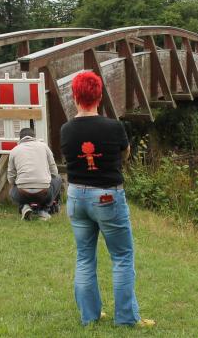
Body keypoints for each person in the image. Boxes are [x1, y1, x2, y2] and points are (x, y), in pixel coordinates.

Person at [60, 71, 154, 327]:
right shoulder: (114, 127)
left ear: (75, 96)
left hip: (77, 197)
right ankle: (126, 319)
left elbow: (69, 159)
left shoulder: (66, 130)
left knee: (84, 257)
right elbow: (124, 155)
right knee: (122, 257)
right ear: (99, 96)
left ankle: (89, 317)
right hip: (107, 197)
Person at [7, 128, 61, 221]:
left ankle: (25, 206)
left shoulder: (14, 151)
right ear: (34, 137)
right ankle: (44, 210)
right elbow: (54, 171)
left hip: (22, 194)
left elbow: (11, 178)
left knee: (12, 189)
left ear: (20, 139)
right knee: (58, 178)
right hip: (44, 193)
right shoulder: (44, 147)